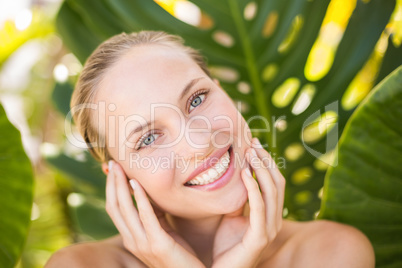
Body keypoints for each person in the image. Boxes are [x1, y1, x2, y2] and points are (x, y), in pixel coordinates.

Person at [45, 31, 375, 268]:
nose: (199, 143)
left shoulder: (333, 254)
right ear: (118, 175)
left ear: (223, 92)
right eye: (148, 138)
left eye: (197, 99)